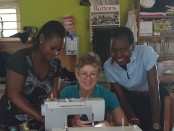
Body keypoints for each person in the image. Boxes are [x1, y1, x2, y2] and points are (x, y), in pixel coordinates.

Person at [0, 20, 66, 130]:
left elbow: (54, 95)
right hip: (11, 122)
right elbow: (14, 96)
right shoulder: (20, 59)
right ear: (41, 39)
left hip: (36, 123)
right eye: (52, 48)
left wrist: (56, 117)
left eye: (59, 50)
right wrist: (42, 118)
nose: (56, 53)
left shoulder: (55, 65)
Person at [103, 26, 162, 130]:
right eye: (114, 50)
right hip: (131, 100)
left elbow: (154, 90)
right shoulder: (108, 66)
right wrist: (132, 117)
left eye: (123, 50)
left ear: (132, 46)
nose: (118, 55)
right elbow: (121, 97)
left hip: (154, 98)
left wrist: (156, 123)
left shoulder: (146, 53)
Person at [60, 52, 128, 127]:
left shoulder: (106, 95)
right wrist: (72, 123)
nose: (88, 78)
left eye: (92, 74)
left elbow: (123, 123)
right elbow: (58, 123)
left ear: (98, 76)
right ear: (77, 75)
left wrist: (109, 127)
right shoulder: (66, 94)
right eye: (83, 74)